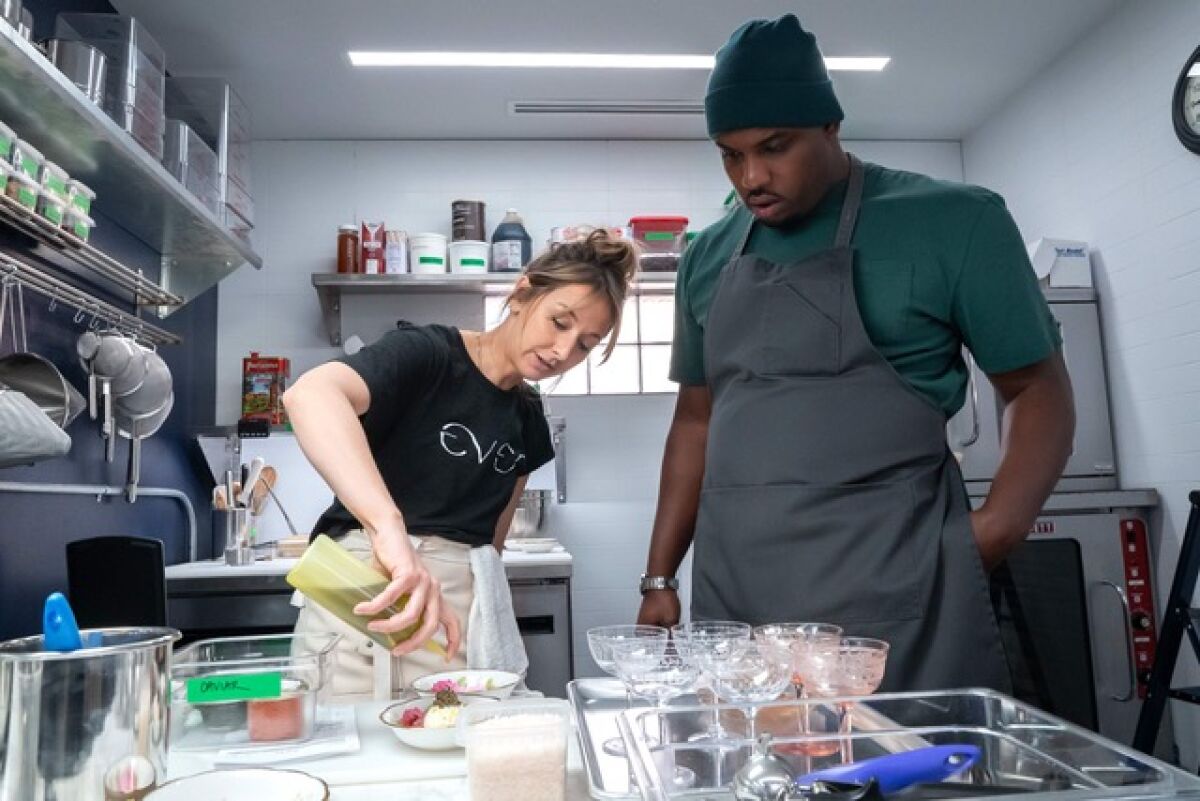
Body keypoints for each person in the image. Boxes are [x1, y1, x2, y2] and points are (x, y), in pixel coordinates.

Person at [636, 14, 1076, 693]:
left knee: (910, 773)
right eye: (729, 153)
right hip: (740, 605)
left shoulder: (954, 222)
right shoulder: (707, 256)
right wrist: (660, 573)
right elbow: (696, 418)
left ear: (831, 125)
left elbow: (1037, 388)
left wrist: (991, 532)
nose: (751, 176)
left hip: (899, 601)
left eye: (774, 146)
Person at [287, 230, 639, 699]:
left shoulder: (528, 418)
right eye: (559, 322)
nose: (563, 352)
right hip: (364, 594)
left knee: (451, 753)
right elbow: (310, 394)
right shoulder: (429, 354)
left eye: (584, 345)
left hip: (451, 621)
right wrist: (388, 529)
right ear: (521, 293)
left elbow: (490, 544)